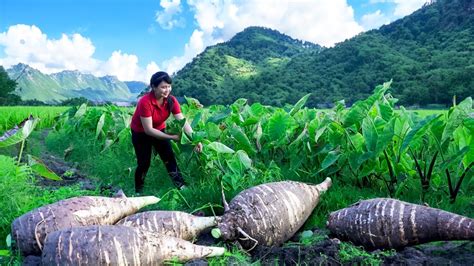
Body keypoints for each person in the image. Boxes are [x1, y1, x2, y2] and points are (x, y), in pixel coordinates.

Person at [130, 71, 202, 193]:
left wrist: (194, 139)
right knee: (144, 163)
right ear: (153, 87)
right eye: (163, 87)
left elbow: (182, 121)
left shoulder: (171, 101)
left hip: (159, 129)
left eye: (169, 86)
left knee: (169, 157)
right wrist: (172, 137)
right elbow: (148, 130)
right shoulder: (145, 102)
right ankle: (138, 191)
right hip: (141, 133)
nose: (167, 90)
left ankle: (181, 187)